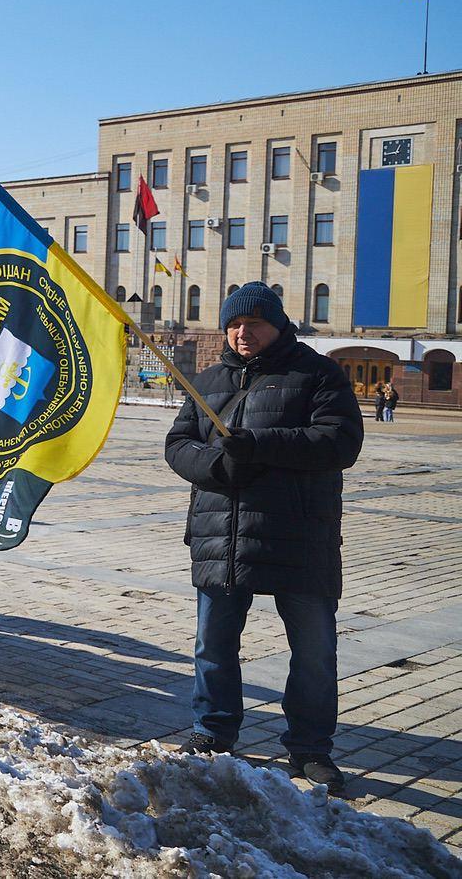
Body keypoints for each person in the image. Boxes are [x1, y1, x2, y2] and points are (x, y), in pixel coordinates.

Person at [164, 281, 363, 794]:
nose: (241, 333)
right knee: (214, 645)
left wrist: (258, 446)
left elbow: (339, 440)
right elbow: (178, 444)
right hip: (221, 535)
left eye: (252, 323)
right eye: (232, 324)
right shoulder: (207, 380)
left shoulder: (316, 373)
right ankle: (212, 732)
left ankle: (310, 750)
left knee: (313, 649)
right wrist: (217, 464)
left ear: (278, 324)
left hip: (298, 535)